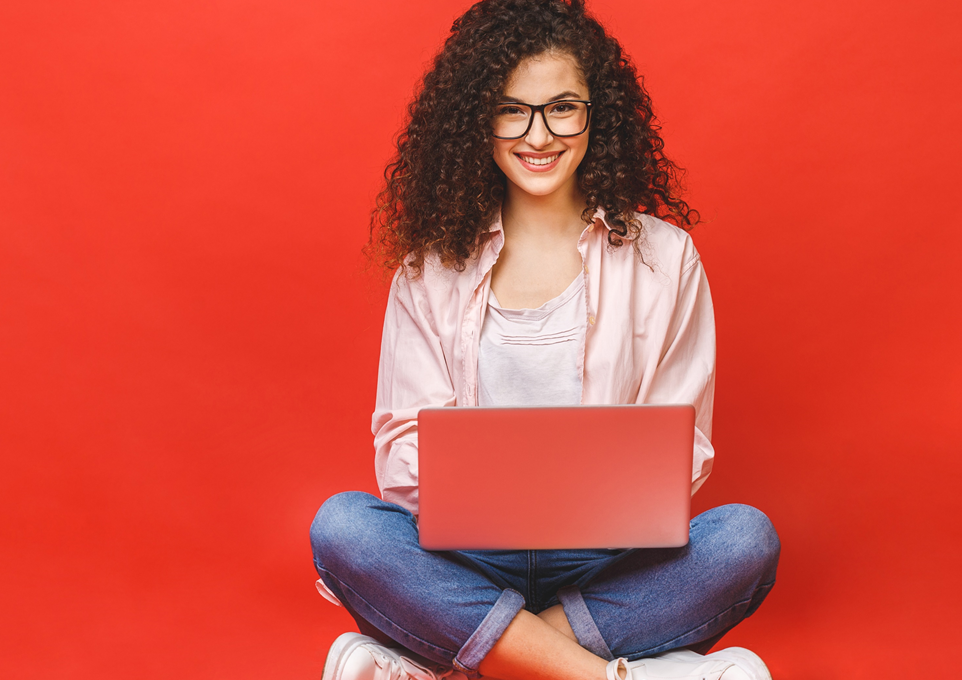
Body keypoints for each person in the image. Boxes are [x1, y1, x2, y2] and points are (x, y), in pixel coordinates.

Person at [309, 1, 780, 679]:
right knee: (345, 527)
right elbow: (401, 452)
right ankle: (609, 673)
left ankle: (464, 662)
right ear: (480, 120)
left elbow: (686, 450)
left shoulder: (665, 259)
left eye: (563, 107)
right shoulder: (431, 266)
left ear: (598, 113)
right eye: (512, 110)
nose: (539, 134)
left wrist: (597, 499)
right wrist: (485, 495)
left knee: (743, 539)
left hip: (606, 563)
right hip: (464, 559)